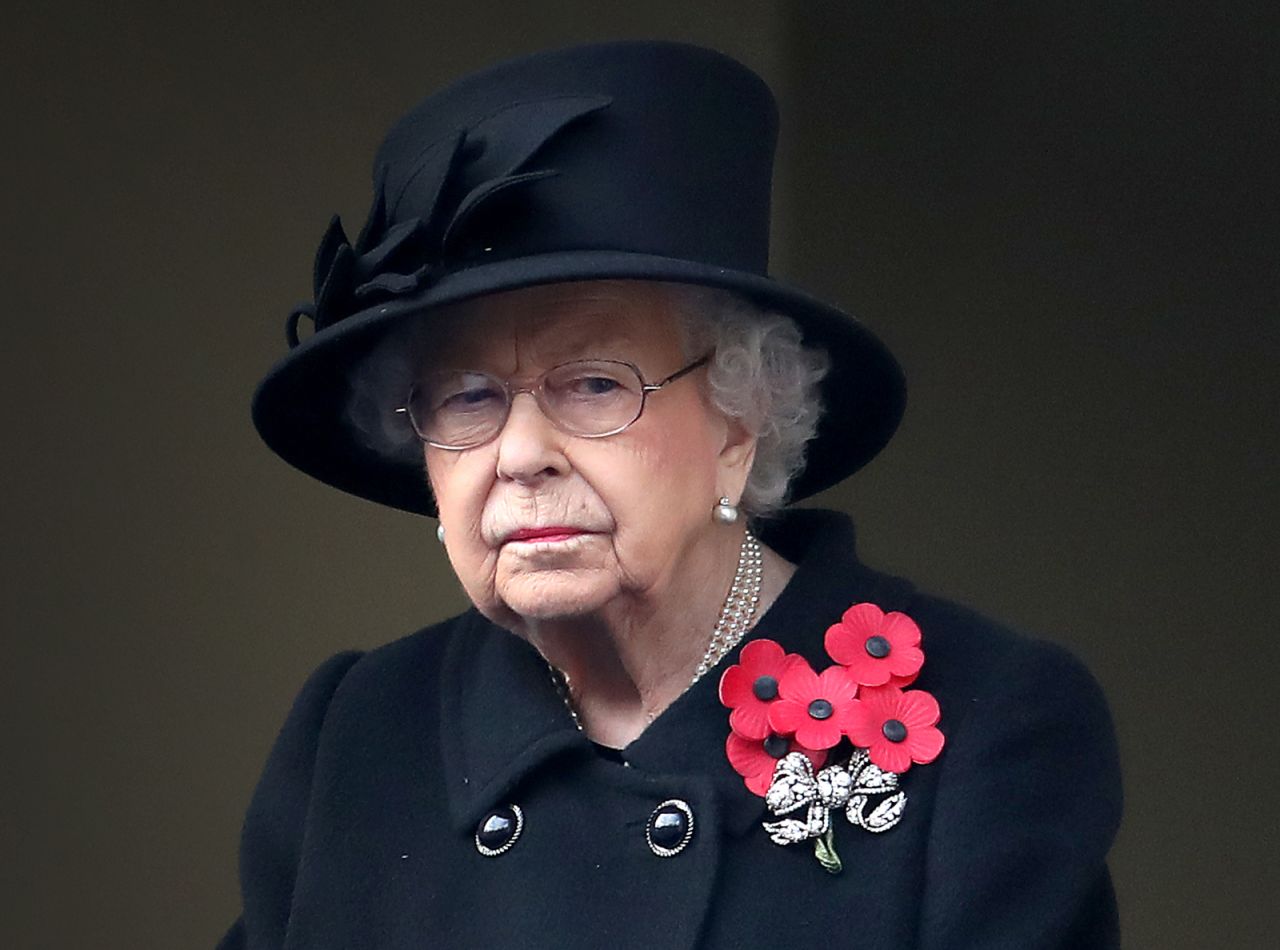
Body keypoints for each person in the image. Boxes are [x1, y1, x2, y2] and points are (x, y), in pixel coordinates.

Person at [222, 41, 1121, 949]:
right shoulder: (358, 731)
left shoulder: (990, 719)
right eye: (467, 396)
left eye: (596, 384)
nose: (521, 453)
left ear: (741, 422)